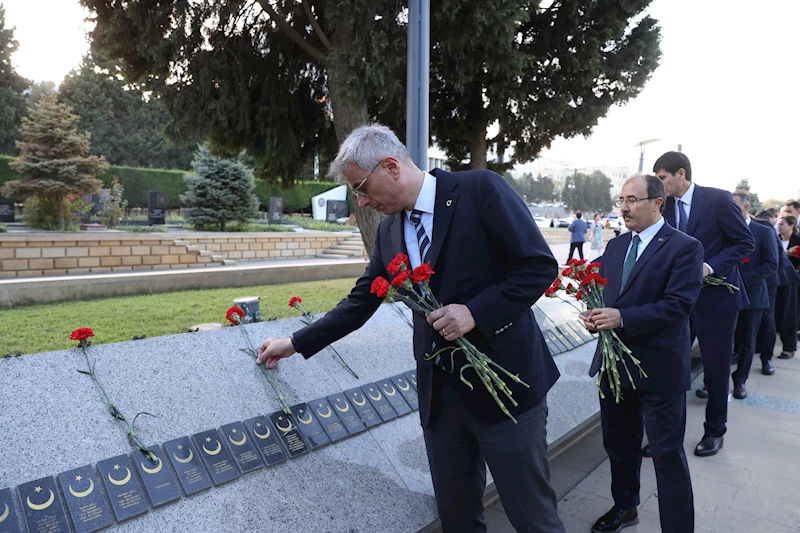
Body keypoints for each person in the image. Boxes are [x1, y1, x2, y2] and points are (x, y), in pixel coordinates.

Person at [256, 125, 565, 533]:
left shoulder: (481, 190)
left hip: (505, 390)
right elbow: (361, 300)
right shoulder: (388, 231)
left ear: (391, 166)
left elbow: (538, 266)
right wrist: (294, 343)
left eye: (362, 188)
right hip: (442, 403)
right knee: (457, 520)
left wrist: (475, 312)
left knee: (533, 519)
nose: (362, 201)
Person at [581, 175, 703, 533]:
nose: (624, 208)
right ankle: (625, 507)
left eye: (633, 200)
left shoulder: (684, 247)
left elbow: (678, 306)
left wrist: (622, 318)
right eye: (621, 200)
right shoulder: (617, 247)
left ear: (657, 203)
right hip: (614, 366)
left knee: (667, 455)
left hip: (660, 369)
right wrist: (596, 314)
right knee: (619, 445)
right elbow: (609, 297)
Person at [655, 151, 755, 457]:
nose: (659, 186)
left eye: (662, 179)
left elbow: (744, 243)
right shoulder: (664, 207)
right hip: (677, 304)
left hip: (717, 301)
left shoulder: (718, 200)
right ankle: (665, 436)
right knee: (670, 368)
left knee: (715, 370)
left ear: (681, 174)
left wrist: (709, 267)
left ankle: (715, 432)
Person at [730, 191, 777, 398]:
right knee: (720, 339)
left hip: (753, 296)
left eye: (735, 207)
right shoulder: (724, 231)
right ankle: (710, 381)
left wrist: (741, 280)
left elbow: (771, 264)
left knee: (748, 342)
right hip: (726, 296)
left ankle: (740, 380)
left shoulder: (763, 232)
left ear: (746, 207)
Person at [753, 209, 789, 375]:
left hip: (767, 282)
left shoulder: (764, 227)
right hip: (744, 283)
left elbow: (778, 258)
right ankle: (740, 352)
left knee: (767, 321)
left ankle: (766, 358)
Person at [775, 215, 800, 360]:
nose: (779, 227)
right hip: (775, 279)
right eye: (778, 224)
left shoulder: (797, 240)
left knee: (788, 314)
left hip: (791, 280)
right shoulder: (774, 238)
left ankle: (789, 348)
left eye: (782, 224)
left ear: (791, 226)